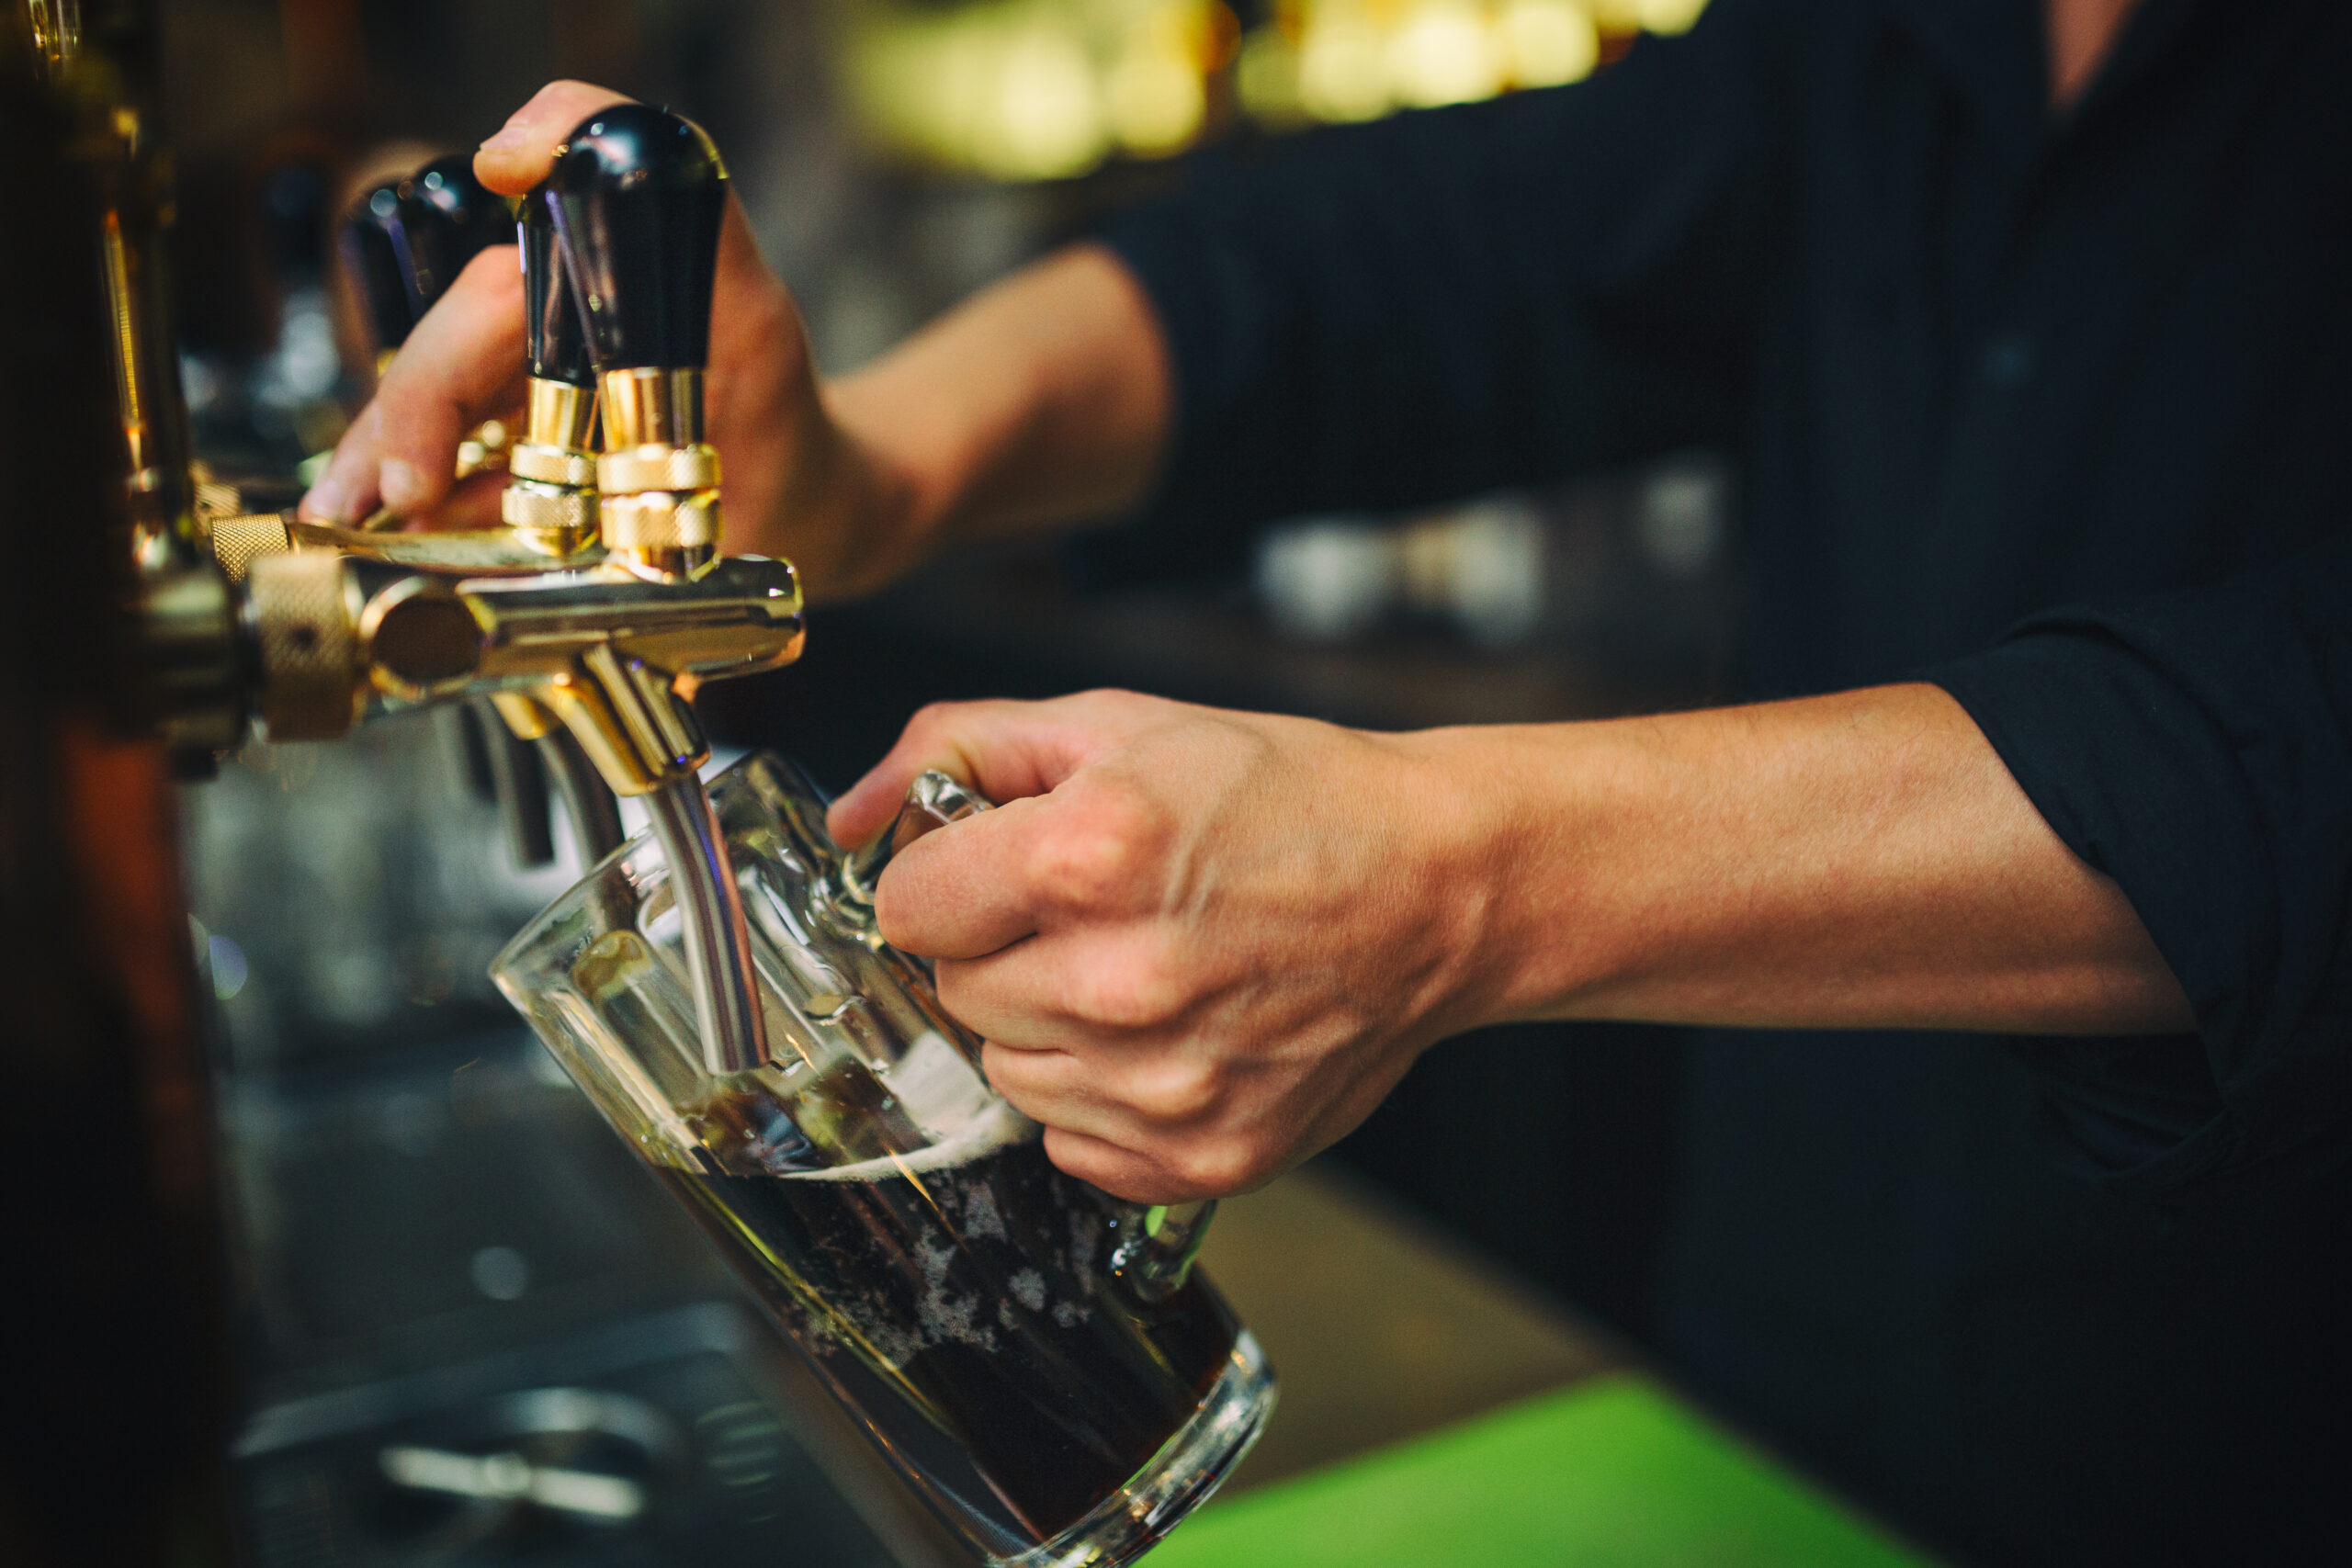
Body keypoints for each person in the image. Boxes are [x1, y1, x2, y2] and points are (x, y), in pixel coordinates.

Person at [302, 0, 2352, 1560]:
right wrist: (858, 468)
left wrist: (1462, 873)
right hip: (1779, 1350)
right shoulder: (1883, 40)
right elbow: (1405, 269)